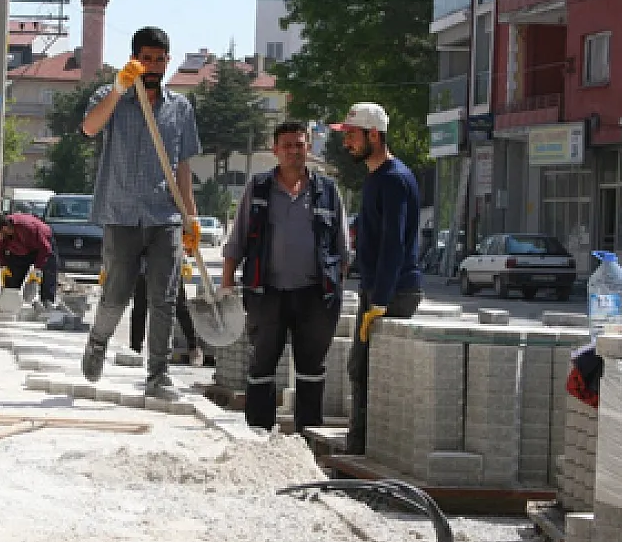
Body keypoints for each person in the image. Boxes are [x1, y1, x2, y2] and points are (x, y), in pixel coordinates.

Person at [78, 26, 202, 400]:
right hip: (121, 213)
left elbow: (182, 166)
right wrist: (118, 88)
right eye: (146, 58)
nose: (153, 66)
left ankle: (158, 375)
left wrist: (191, 218)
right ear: (134, 59)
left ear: (168, 61)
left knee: (164, 297)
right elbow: (88, 127)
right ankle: (98, 341)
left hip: (164, 216)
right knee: (116, 292)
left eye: (160, 59)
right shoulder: (111, 97)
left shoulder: (180, 108)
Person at [220, 122, 350, 433]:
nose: (294, 151)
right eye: (287, 145)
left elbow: (343, 249)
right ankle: (259, 433)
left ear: (308, 149)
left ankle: (306, 436)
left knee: (311, 367)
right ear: (275, 150)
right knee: (263, 362)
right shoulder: (259, 187)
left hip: (315, 295)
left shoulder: (327, 191)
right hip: (266, 292)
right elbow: (237, 240)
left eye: (299, 145)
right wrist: (227, 284)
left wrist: (334, 286)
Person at [333, 102, 424, 455]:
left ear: (374, 135)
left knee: (375, 371)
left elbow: (393, 243)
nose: (347, 143)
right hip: (378, 289)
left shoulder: (394, 179)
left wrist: (381, 301)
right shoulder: (376, 178)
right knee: (362, 368)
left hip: (393, 292)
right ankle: (360, 444)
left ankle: (368, 450)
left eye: (352, 136)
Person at [131, 258, 204, 367]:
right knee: (139, 309)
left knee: (180, 308)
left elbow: (176, 242)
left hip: (170, 266)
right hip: (144, 267)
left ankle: (194, 348)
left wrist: (184, 261)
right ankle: (135, 350)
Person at [0, 212, 59, 306]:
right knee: (11, 278)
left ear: (4, 228)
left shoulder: (26, 227)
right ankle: (9, 303)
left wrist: (37, 269)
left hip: (42, 246)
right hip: (20, 250)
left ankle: (47, 303)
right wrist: (3, 266)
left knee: (48, 272)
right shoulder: (2, 234)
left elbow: (45, 248)